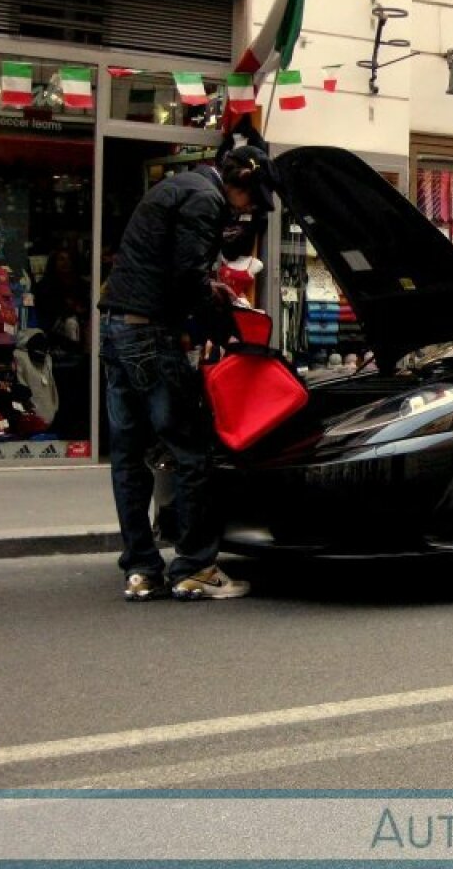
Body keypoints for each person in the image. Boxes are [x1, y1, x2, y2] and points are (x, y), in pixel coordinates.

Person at [99, 145, 278, 601]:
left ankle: (140, 570)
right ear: (242, 187)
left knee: (127, 454)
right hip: (152, 337)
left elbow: (165, 266)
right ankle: (195, 565)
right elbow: (187, 278)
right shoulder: (207, 201)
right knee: (191, 449)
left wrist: (207, 290)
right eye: (252, 201)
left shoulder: (178, 185)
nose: (249, 211)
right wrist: (225, 329)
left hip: (116, 327)